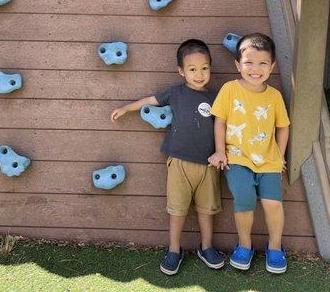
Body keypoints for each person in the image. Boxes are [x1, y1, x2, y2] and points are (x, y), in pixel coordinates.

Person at [110, 39, 224, 275]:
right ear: (181, 71)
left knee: (206, 209)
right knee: (177, 209)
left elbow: (225, 126)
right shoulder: (175, 92)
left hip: (208, 165)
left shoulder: (215, 98)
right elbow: (149, 101)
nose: (199, 74)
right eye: (192, 69)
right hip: (179, 162)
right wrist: (127, 108)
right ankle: (174, 249)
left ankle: (207, 247)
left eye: (204, 68)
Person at [208, 33, 290, 274]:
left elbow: (283, 127)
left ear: (272, 66)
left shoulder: (274, 96)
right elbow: (219, 121)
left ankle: (275, 247)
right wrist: (220, 151)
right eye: (249, 63)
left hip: (269, 162)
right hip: (237, 158)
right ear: (238, 65)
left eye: (263, 63)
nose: (256, 69)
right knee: (244, 200)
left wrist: (281, 157)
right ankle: (244, 246)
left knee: (272, 204)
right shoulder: (229, 89)